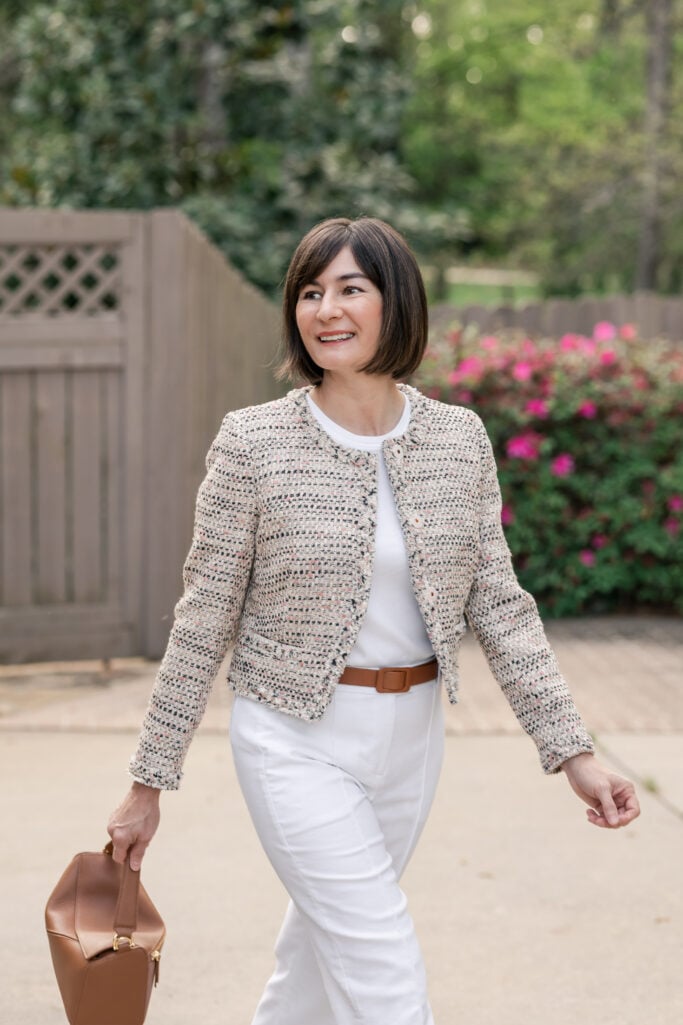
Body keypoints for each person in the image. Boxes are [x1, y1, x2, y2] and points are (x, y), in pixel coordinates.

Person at [108, 216, 640, 1025]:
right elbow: (202, 615)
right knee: (380, 965)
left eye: (350, 288)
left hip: (409, 741)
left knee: (318, 966)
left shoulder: (457, 440)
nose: (326, 309)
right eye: (310, 292)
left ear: (396, 303)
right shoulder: (254, 442)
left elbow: (499, 605)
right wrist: (147, 785)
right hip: (291, 738)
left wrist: (573, 751)